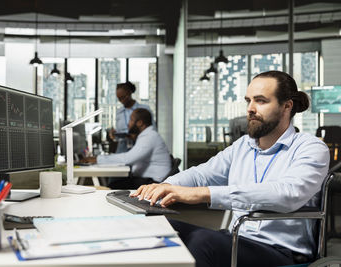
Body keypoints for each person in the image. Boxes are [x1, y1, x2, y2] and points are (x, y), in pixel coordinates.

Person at [132, 71, 330, 267]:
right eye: (248, 101)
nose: (250, 109)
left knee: (203, 242)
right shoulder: (244, 145)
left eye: (260, 101)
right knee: (161, 226)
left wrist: (203, 194)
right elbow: (202, 174)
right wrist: (164, 186)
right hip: (238, 238)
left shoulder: (310, 147)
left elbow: (288, 193)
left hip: (281, 251)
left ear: (287, 106)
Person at [85, 108, 171, 189]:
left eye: (131, 120)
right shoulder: (147, 135)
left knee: (113, 186)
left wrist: (97, 159)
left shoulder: (150, 137)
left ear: (140, 123)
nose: (128, 124)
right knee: (114, 184)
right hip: (148, 179)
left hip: (154, 182)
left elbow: (127, 159)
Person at [110, 81, 155, 153]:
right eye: (119, 98)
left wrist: (136, 135)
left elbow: (152, 130)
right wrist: (114, 134)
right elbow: (119, 132)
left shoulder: (144, 109)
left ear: (129, 93)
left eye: (123, 97)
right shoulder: (119, 112)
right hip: (123, 148)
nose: (121, 101)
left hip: (141, 146)